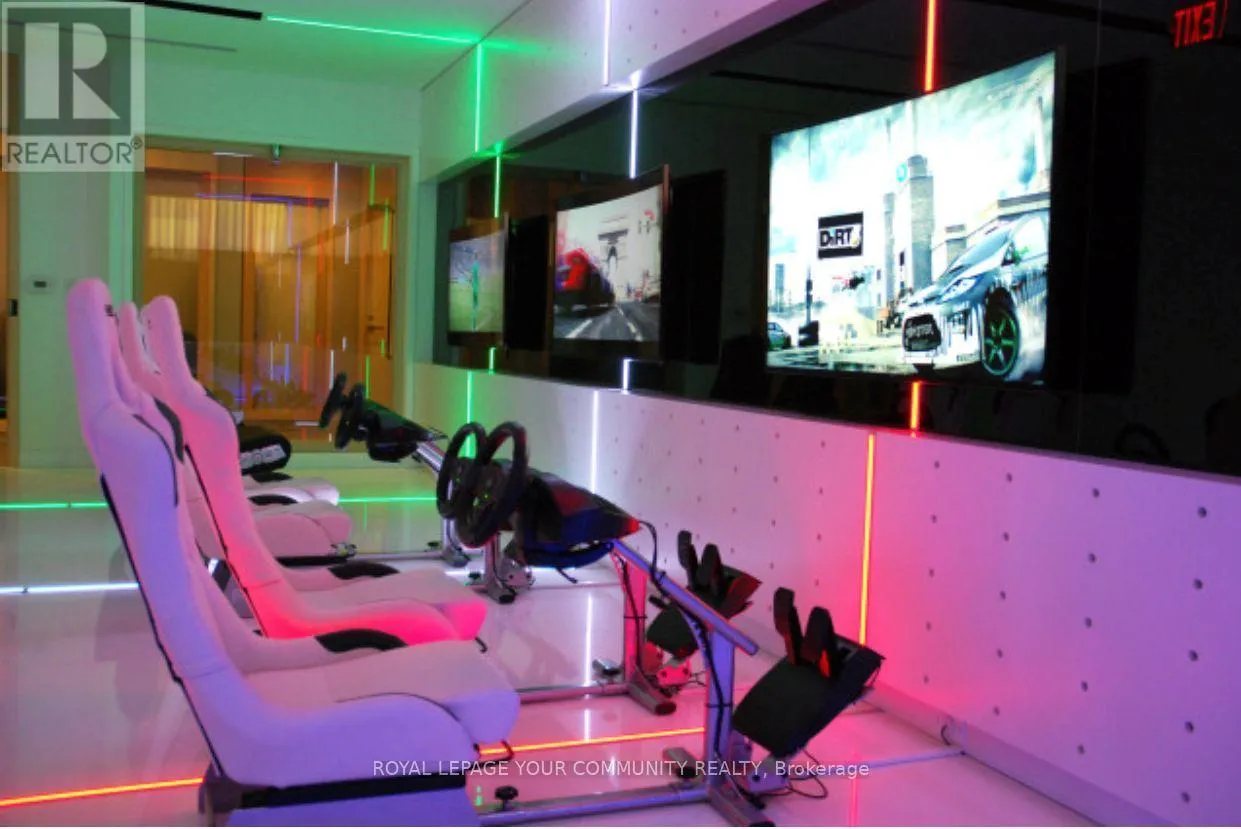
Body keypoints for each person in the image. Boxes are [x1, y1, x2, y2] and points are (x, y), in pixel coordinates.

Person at [471, 250, 481, 331]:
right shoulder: (476, 264)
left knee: (475, 297)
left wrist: (471, 280)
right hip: (475, 284)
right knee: (475, 297)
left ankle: (475, 305)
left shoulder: (475, 265)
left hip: (475, 284)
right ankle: (473, 326)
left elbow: (474, 275)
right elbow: (476, 275)